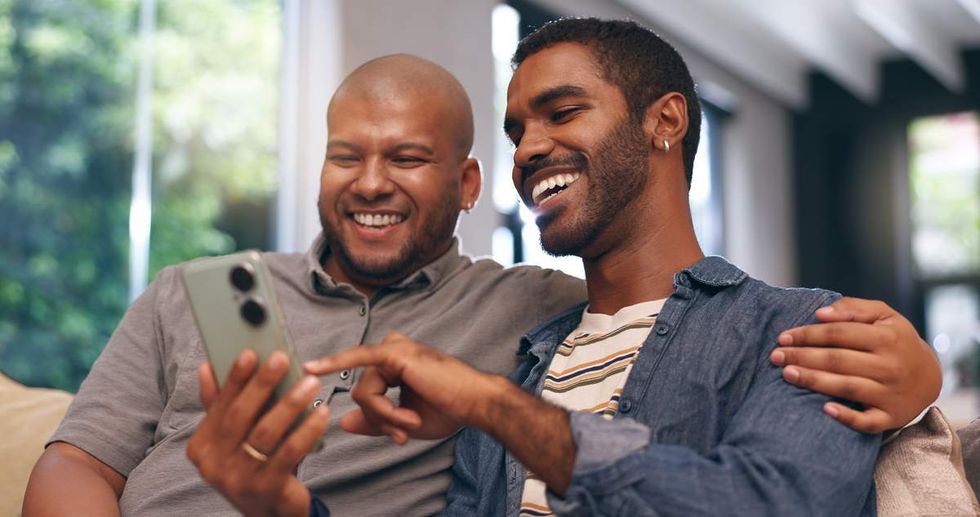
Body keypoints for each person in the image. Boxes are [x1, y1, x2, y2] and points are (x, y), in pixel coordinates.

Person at [22, 53, 937, 516]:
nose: (371, 181)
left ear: (466, 186)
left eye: (408, 158)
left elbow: (674, 311)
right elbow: (76, 461)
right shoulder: (197, 288)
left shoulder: (532, 314)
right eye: (348, 156)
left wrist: (919, 378)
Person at [308, 20, 941, 516]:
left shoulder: (797, 327)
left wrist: (497, 409)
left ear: (664, 120)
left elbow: (771, 505)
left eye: (561, 113)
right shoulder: (525, 364)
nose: (527, 150)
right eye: (517, 133)